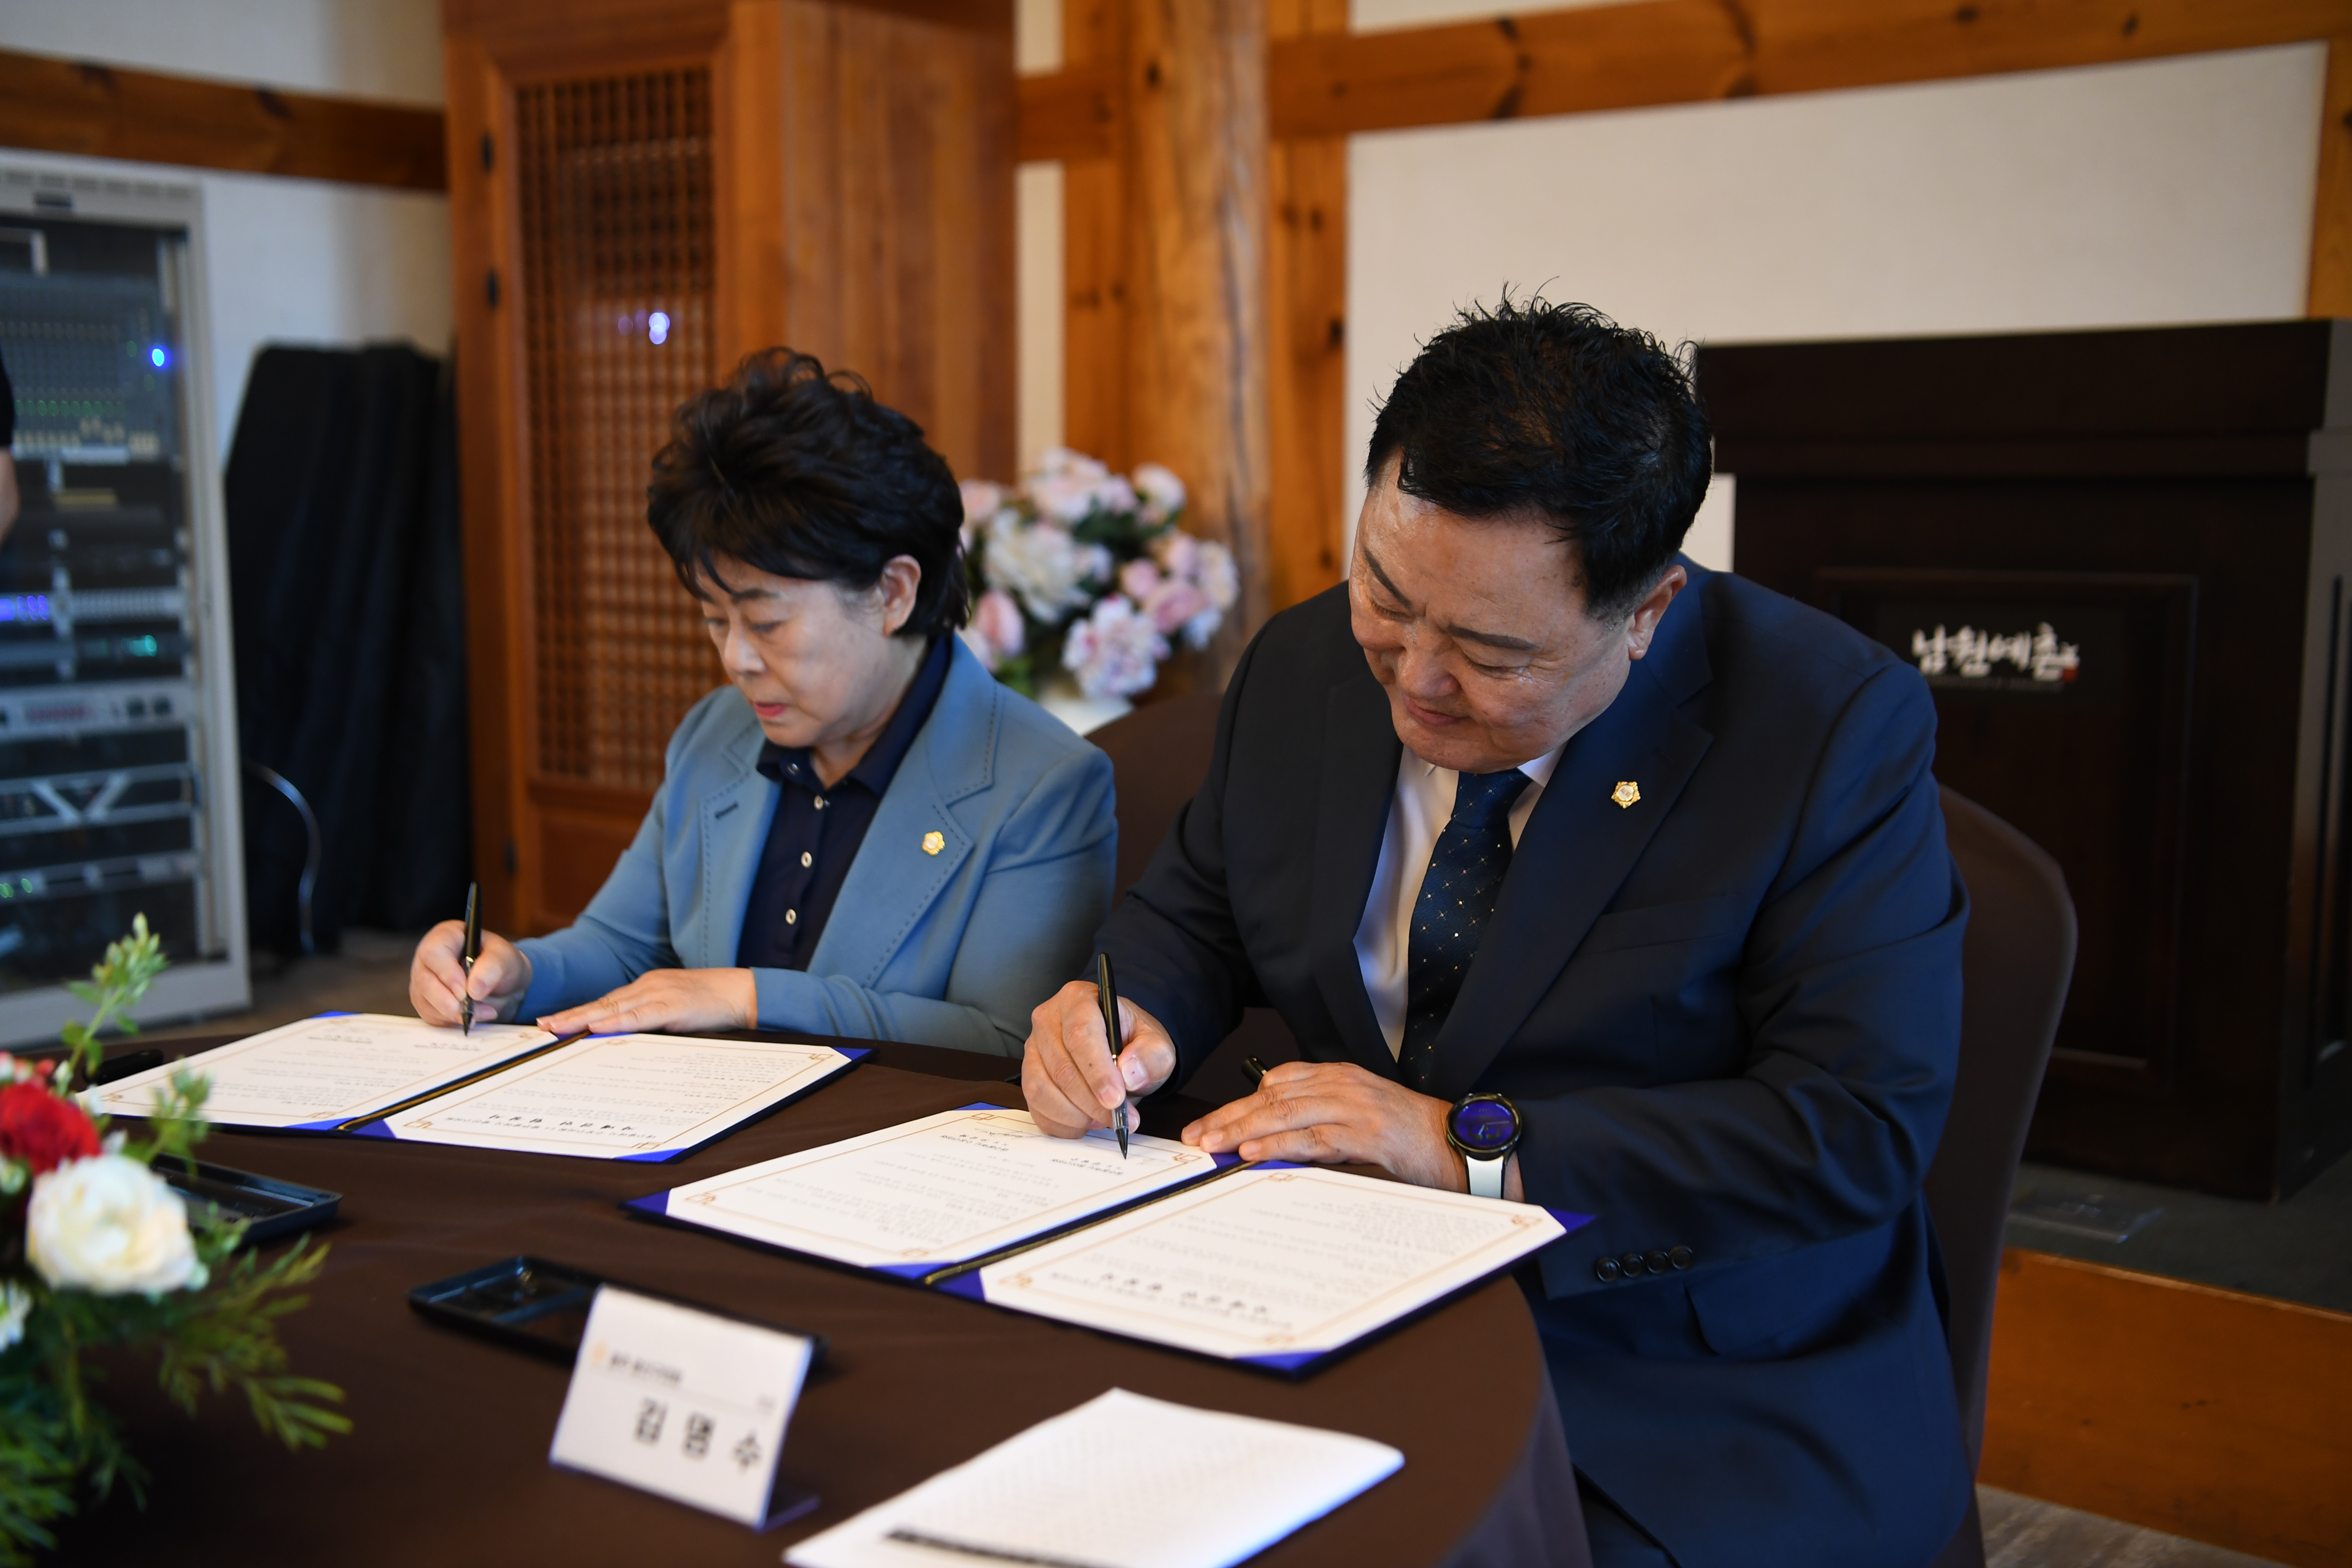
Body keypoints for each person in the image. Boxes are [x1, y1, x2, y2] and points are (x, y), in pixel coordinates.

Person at [1022, 299, 1972, 1567]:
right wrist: (1121, 1012)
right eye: (1389, 595)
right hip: (1326, 1286)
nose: (1413, 676)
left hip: (1666, 1363)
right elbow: (1197, 912)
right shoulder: (1310, 662)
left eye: (1489, 650)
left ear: (1646, 613)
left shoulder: (1824, 727)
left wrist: (1465, 1150)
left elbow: (1854, 1127)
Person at [411, 349, 1116, 1054]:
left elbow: (1002, 1039)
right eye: (716, 619)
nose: (736, 659)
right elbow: (623, 947)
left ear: (893, 593)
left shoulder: (1039, 783)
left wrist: (748, 997)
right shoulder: (716, 733)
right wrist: (517, 972)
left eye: (767, 623)